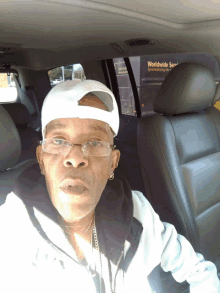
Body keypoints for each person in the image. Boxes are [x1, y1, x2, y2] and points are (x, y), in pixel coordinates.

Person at [0, 79, 219, 293]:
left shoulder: (137, 211)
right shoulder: (10, 236)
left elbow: (197, 271)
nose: (75, 158)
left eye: (94, 143)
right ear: (41, 159)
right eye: (58, 140)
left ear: (112, 163)